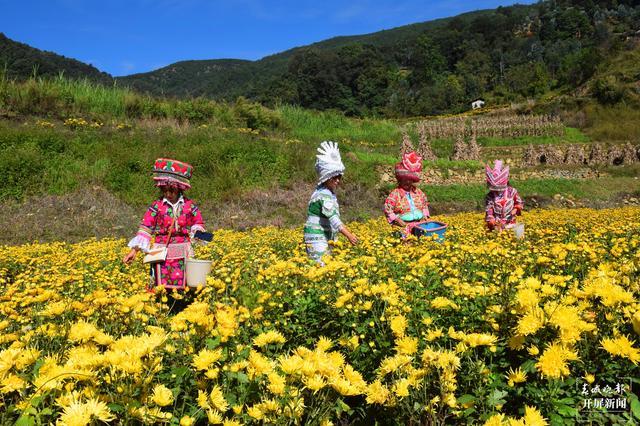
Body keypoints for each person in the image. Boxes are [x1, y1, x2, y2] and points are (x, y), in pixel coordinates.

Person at [122, 158, 206, 313]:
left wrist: (205, 237)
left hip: (183, 249)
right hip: (161, 250)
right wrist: (133, 251)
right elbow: (146, 228)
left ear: (179, 189)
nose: (168, 194)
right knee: (160, 285)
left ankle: (185, 311)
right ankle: (161, 311)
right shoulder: (156, 206)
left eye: (172, 190)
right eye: (165, 190)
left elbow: (198, 224)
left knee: (187, 284)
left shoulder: (189, 206)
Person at [304, 141, 358, 265]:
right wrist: (349, 235)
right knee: (321, 267)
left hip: (323, 235)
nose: (338, 180)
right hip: (317, 237)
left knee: (326, 265)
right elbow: (333, 218)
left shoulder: (326, 193)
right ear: (326, 177)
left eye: (339, 176)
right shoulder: (323, 195)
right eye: (334, 177)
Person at [384, 151, 430, 238]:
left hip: (419, 225)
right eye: (404, 180)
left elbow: (424, 204)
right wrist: (396, 219)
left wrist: (425, 216)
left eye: (409, 180)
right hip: (403, 227)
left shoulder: (418, 192)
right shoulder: (395, 194)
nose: (407, 182)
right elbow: (387, 209)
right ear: (400, 180)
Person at [484, 160, 523, 232]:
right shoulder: (490, 196)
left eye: (499, 188)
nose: (498, 190)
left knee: (518, 234)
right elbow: (489, 209)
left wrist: (516, 209)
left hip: (511, 221)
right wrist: (491, 219)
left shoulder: (512, 192)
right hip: (497, 224)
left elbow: (519, 203)